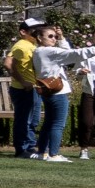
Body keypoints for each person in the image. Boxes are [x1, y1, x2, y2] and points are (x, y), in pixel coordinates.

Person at [5, 18, 48, 160]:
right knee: (25, 120)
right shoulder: (22, 46)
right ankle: (23, 149)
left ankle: (29, 148)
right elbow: (8, 64)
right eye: (34, 30)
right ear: (23, 32)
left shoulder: (31, 45)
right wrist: (23, 82)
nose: (37, 32)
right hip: (24, 89)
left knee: (32, 120)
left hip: (32, 88)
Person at [35, 23, 77, 162]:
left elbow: (65, 54)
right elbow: (71, 54)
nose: (54, 39)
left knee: (48, 122)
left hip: (49, 91)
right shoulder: (47, 51)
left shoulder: (42, 51)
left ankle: (42, 152)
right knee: (58, 123)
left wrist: (61, 38)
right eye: (50, 36)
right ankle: (54, 154)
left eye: (55, 36)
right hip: (57, 92)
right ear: (40, 38)